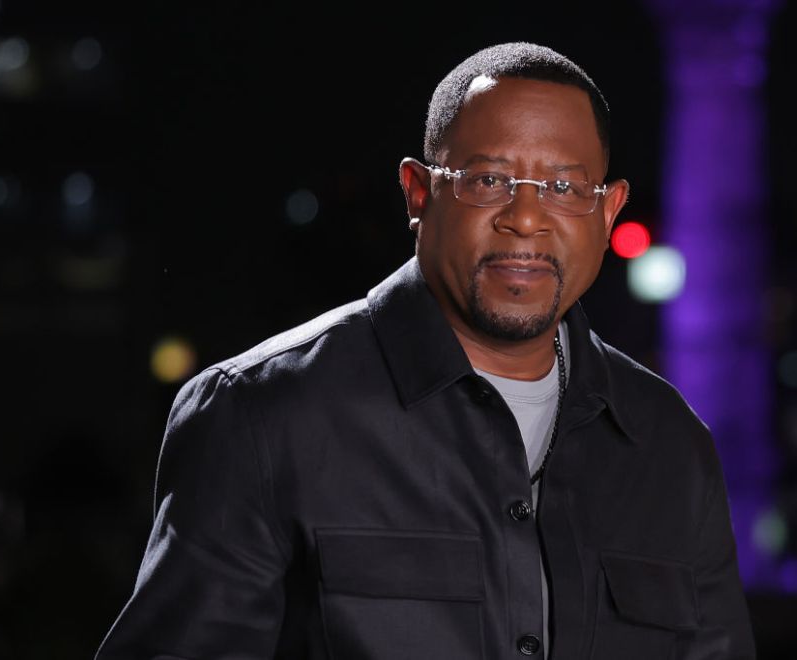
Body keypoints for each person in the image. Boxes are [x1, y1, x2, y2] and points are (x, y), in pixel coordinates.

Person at [97, 41, 755, 659]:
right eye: (489, 180)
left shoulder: (670, 444)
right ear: (419, 193)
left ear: (607, 213)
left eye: (562, 187)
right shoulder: (262, 414)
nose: (525, 218)